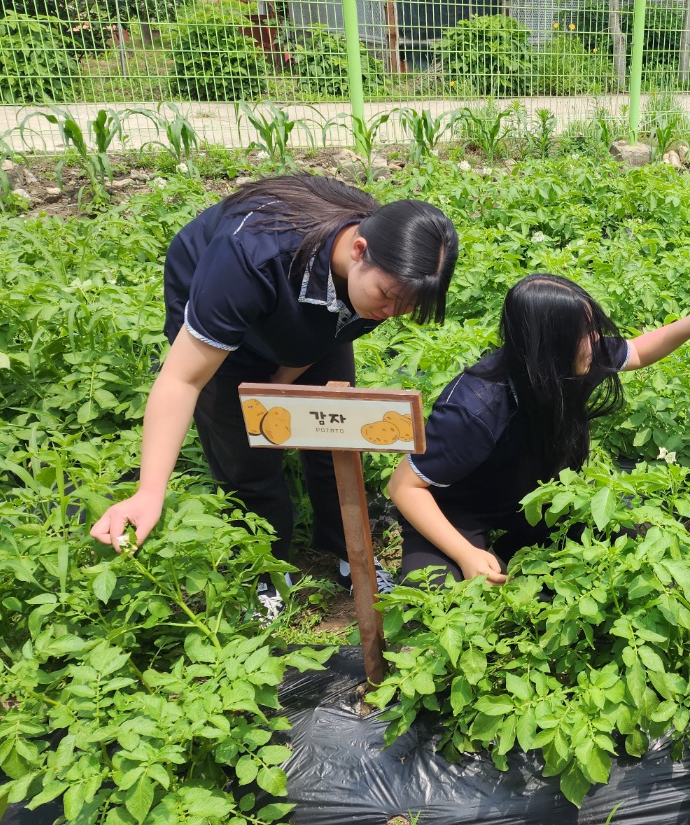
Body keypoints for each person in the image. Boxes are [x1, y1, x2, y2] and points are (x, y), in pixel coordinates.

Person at [90, 175, 459, 610]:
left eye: (406, 308)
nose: (390, 313)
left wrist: (279, 389)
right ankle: (265, 566)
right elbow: (182, 380)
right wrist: (149, 493)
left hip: (312, 297)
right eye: (387, 297)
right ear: (359, 250)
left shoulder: (382, 283)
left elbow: (318, 339)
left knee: (334, 434)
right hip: (221, 289)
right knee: (244, 450)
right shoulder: (250, 257)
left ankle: (350, 553)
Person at [389, 269, 690, 585]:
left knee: (624, 528)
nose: (596, 340)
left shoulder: (574, 362)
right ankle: (487, 554)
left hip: (533, 496)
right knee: (436, 591)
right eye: (584, 332)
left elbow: (638, 351)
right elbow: (404, 486)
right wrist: (464, 554)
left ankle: (508, 553)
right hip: (459, 509)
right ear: (550, 344)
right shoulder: (474, 408)